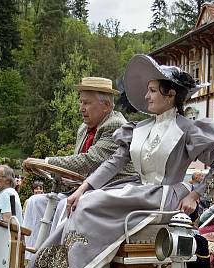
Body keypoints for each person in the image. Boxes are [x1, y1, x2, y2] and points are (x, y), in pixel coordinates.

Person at [27, 55, 214, 268]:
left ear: (171, 95)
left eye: (153, 91)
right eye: (148, 91)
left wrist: (194, 195)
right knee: (81, 203)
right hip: (141, 191)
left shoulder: (188, 129)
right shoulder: (139, 128)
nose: (147, 96)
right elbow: (113, 163)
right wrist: (83, 188)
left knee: (89, 207)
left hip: (166, 195)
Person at [21, 76, 139, 250]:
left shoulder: (116, 126)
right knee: (35, 202)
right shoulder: (84, 128)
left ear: (106, 106)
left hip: (113, 189)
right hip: (85, 189)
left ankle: (55, 267)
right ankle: (30, 260)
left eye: (87, 103)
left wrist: (45, 161)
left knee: (64, 205)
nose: (81, 108)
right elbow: (82, 165)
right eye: (81, 102)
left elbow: (89, 161)